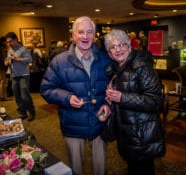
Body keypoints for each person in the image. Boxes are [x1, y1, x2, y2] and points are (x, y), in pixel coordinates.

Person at [40, 16, 111, 175]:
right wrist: (66, 98)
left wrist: (109, 105)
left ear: (94, 36)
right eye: (80, 32)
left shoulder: (106, 60)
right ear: (73, 36)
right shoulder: (59, 61)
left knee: (101, 169)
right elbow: (46, 89)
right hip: (73, 124)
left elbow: (113, 88)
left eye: (89, 32)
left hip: (100, 123)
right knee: (76, 169)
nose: (85, 37)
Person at [103, 29, 166, 175]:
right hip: (128, 134)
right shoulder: (116, 70)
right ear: (109, 53)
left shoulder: (142, 67)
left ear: (129, 47)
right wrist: (112, 100)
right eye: (113, 47)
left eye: (122, 44)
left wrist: (122, 97)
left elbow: (155, 101)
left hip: (142, 136)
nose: (118, 49)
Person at [4, 32, 36, 121]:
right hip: (14, 75)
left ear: (16, 40)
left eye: (10, 41)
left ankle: (31, 113)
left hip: (23, 75)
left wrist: (17, 59)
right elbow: (7, 60)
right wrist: (6, 62)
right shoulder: (9, 50)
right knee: (17, 96)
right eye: (7, 42)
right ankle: (22, 113)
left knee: (25, 96)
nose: (9, 43)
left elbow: (29, 59)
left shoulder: (23, 49)